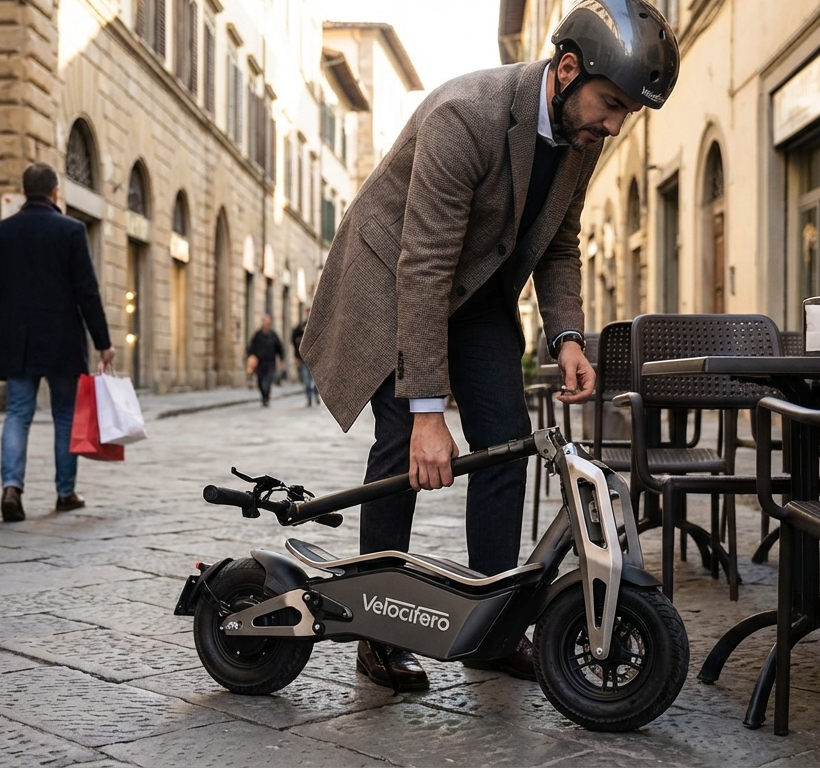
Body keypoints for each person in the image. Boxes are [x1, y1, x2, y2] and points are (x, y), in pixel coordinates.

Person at [301, 0, 679, 691]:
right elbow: (424, 264)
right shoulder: (465, 115)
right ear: (567, 70)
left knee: (508, 443)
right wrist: (425, 411)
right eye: (611, 103)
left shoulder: (579, 137)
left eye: (628, 112)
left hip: (477, 294)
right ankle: (377, 632)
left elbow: (560, 247)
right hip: (394, 277)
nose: (615, 124)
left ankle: (492, 627)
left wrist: (566, 335)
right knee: (400, 446)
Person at [0, 163, 114, 523]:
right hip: (62, 339)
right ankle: (65, 492)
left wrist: (5, 321)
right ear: (55, 193)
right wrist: (103, 341)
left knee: (18, 414)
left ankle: (11, 488)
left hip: (17, 340)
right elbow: (87, 290)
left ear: (24, 191)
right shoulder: (71, 231)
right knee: (65, 416)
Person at [246, 314, 284, 407]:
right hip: (260, 362)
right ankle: (263, 397)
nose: (266, 323)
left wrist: (281, 359)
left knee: (268, 380)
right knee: (260, 381)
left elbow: (279, 348)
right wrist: (251, 357)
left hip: (270, 362)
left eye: (267, 321)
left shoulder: (273, 335)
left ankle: (266, 398)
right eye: (264, 321)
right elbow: (251, 347)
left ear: (270, 322)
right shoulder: (258, 335)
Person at [291, 309, 318, 407]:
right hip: (304, 359)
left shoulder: (317, 326)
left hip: (315, 359)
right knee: (307, 380)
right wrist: (296, 356)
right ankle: (309, 397)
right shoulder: (300, 327)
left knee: (315, 380)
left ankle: (316, 394)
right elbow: (294, 341)